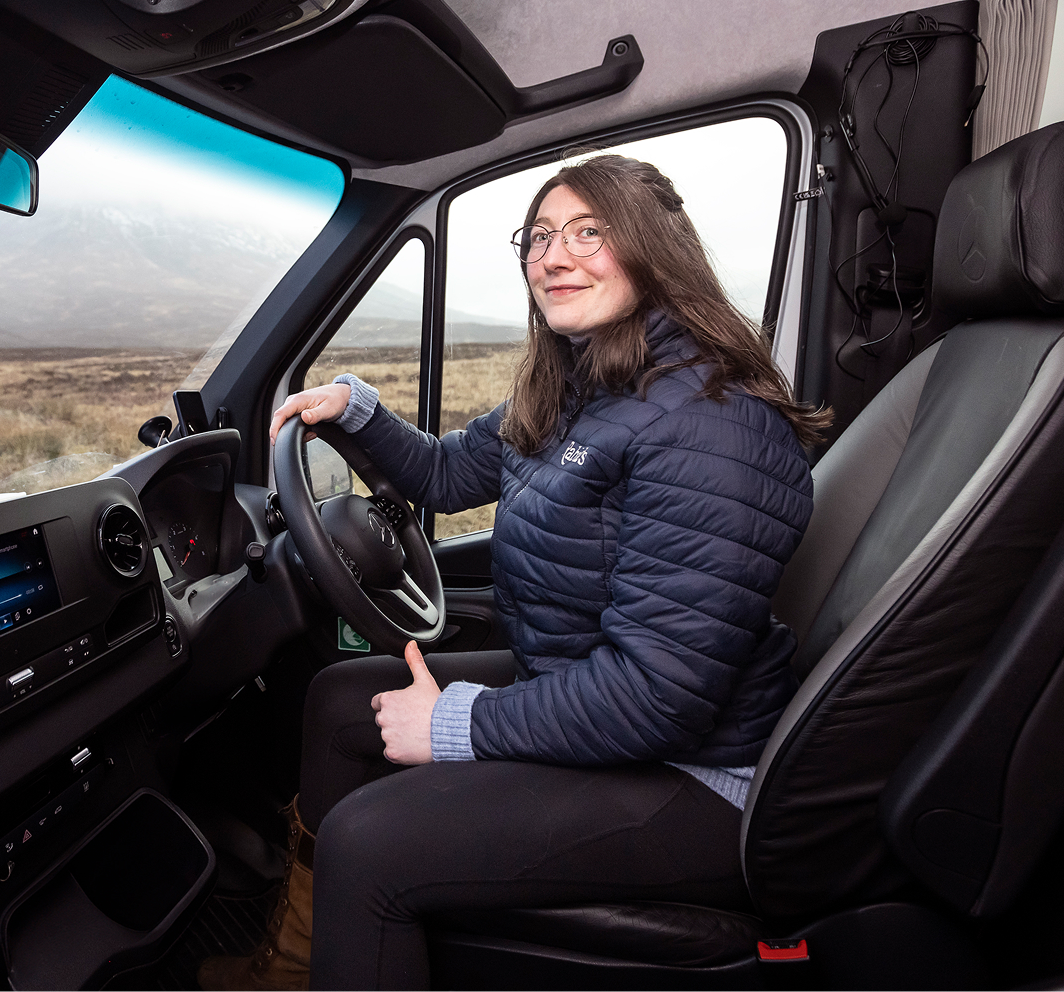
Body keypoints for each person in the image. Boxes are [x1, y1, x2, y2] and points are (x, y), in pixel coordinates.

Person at [198, 154, 827, 991]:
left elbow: (658, 697)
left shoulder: (713, 425)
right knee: (338, 698)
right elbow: (448, 473)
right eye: (538, 237)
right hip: (587, 686)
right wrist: (356, 410)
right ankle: (296, 965)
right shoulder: (578, 384)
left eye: (587, 233)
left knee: (368, 844)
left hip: (698, 775)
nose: (553, 256)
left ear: (653, 248)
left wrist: (459, 722)